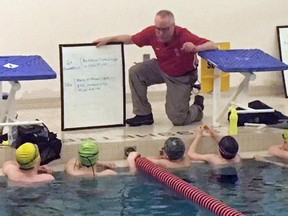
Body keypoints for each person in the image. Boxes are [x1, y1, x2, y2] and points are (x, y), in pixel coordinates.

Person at [94, 10, 219, 126]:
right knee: (135, 72)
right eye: (158, 29)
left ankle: (197, 107)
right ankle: (143, 114)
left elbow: (213, 45)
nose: (161, 33)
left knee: (178, 119)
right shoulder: (151, 33)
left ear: (173, 26)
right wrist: (109, 39)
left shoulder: (184, 35)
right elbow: (130, 39)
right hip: (162, 67)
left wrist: (196, 48)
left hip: (182, 76)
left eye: (165, 29)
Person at [65, 140, 138, 177]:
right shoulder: (108, 173)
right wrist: (131, 160)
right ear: (97, 157)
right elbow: (132, 175)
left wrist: (102, 163)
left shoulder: (71, 172)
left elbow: (74, 160)